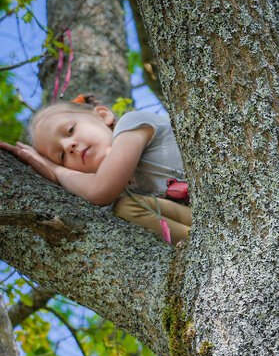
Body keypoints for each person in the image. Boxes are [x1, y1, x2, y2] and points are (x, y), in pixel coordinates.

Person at [1, 95, 191, 244]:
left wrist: (56, 170)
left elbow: (99, 191)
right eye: (62, 157)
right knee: (124, 209)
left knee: (125, 207)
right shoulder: (121, 195)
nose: (69, 146)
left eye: (70, 131)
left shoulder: (133, 124)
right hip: (199, 222)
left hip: (216, 200)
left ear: (102, 115)